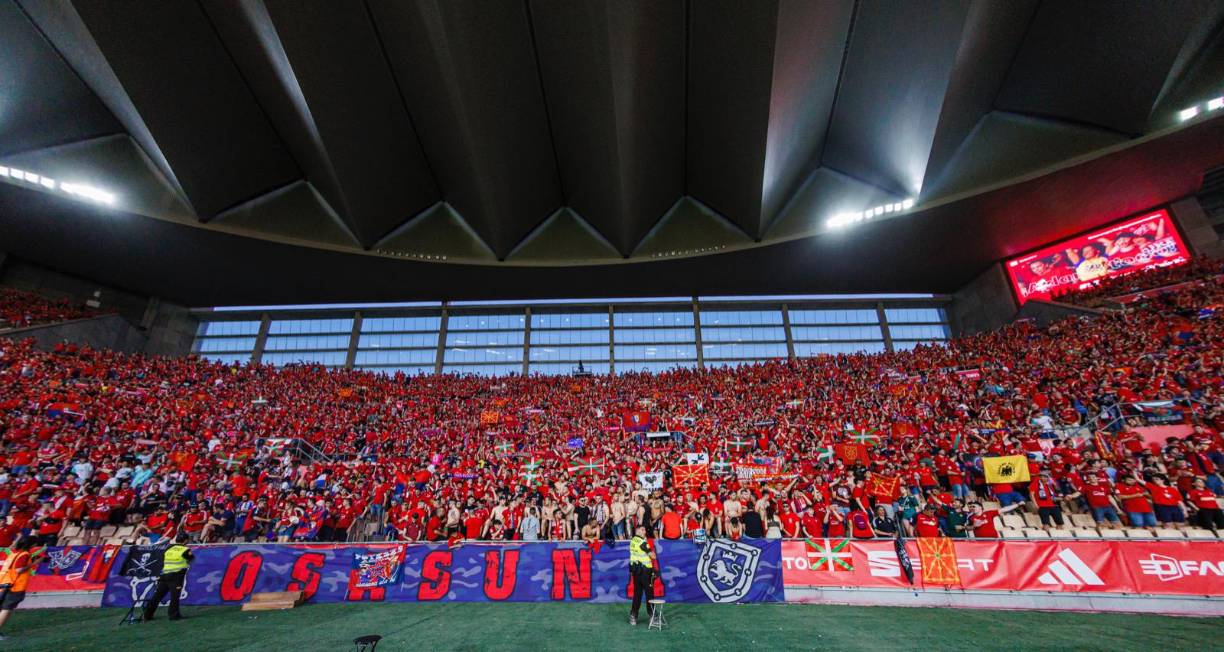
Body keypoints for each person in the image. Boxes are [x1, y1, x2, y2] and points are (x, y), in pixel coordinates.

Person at [142, 533, 194, 622]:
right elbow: (191, 559)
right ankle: (174, 615)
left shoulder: (168, 548)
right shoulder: (185, 549)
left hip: (164, 575)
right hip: (176, 576)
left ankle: (147, 615)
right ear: (185, 540)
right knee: (174, 596)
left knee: (157, 596)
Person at [0, 537, 40, 640]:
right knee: (6, 609)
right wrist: (34, 563)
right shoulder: (24, 555)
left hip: (4, 582)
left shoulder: (14, 554)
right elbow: (19, 570)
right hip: (14, 586)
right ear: (31, 545)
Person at [627, 524, 657, 626]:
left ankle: (633, 616)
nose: (645, 532)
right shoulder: (642, 542)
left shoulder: (632, 541)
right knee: (649, 595)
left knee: (637, 594)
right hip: (645, 572)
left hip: (636, 571)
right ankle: (652, 616)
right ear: (638, 531)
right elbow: (653, 556)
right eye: (643, 530)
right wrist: (652, 550)